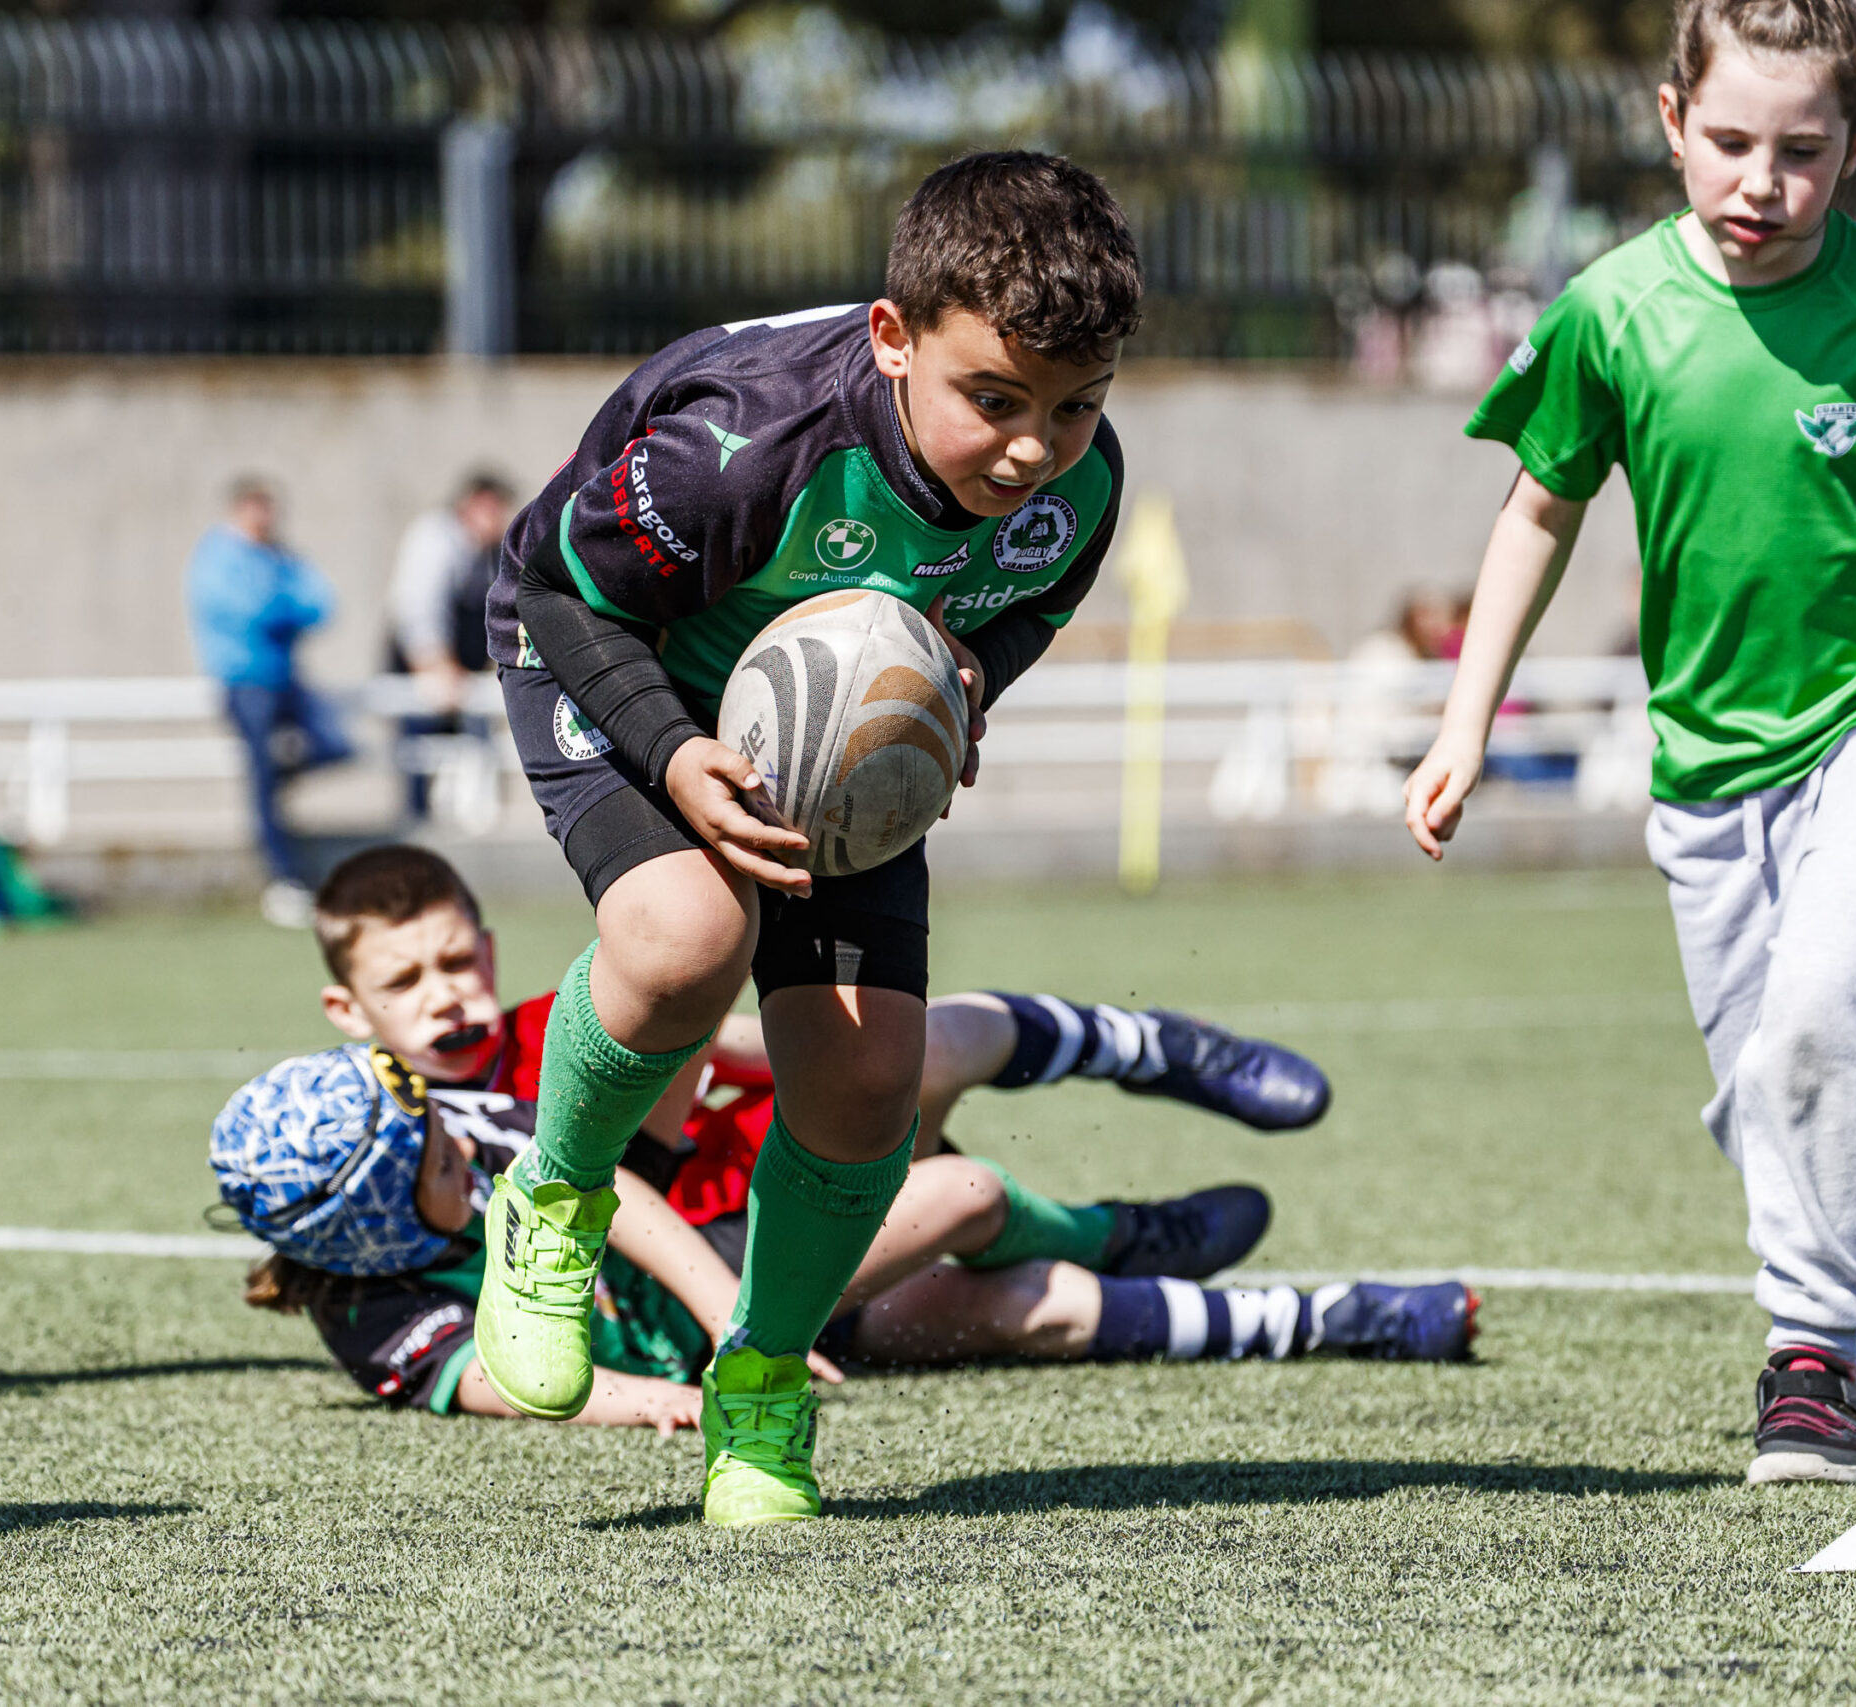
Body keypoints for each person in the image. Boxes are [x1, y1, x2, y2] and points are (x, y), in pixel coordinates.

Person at [1402, 0, 1856, 1487]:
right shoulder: (1610, 312)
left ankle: (1815, 1358)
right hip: (1712, 762)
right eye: (1736, 142)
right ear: (1673, 123)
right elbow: (1537, 513)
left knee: (1824, 1004)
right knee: (1764, 1089)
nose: (1765, 180)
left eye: (1804, 151)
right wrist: (1463, 720)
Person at [479, 152, 1138, 1524]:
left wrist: (967, 676)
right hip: (609, 646)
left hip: (821, 714)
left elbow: (1029, 600)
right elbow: (561, 582)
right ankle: (551, 1197)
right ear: (894, 339)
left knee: (866, 1079)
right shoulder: (751, 441)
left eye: (1077, 406)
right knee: (682, 938)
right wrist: (670, 747)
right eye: (995, 400)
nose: (1035, 447)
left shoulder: (1078, 483)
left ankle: (762, 1374)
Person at [206, 847, 1473, 1434]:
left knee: (903, 1054)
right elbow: (521, 1383)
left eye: (454, 958)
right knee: (1018, 1293)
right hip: (757, 1258)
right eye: (405, 978)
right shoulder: (377, 1309)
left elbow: (620, 1168)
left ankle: (1146, 1050)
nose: (446, 996)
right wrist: (695, 1396)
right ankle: (1321, 1312)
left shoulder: (553, 1037)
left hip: (763, 1209)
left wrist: (838, 1056)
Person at [185, 476, 352, 928]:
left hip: (285, 679)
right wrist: (282, 608)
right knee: (260, 777)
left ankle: (274, 779)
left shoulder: (280, 556)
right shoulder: (218, 556)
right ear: (239, 510)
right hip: (245, 683)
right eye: (257, 510)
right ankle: (283, 878)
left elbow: (320, 603)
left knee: (337, 744)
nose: (265, 520)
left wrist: (278, 608)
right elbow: (246, 609)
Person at [386, 471, 511, 821]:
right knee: (419, 762)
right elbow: (418, 608)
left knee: (478, 760)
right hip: (424, 672)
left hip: (466, 678)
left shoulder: (492, 553)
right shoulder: (434, 538)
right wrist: (435, 664)